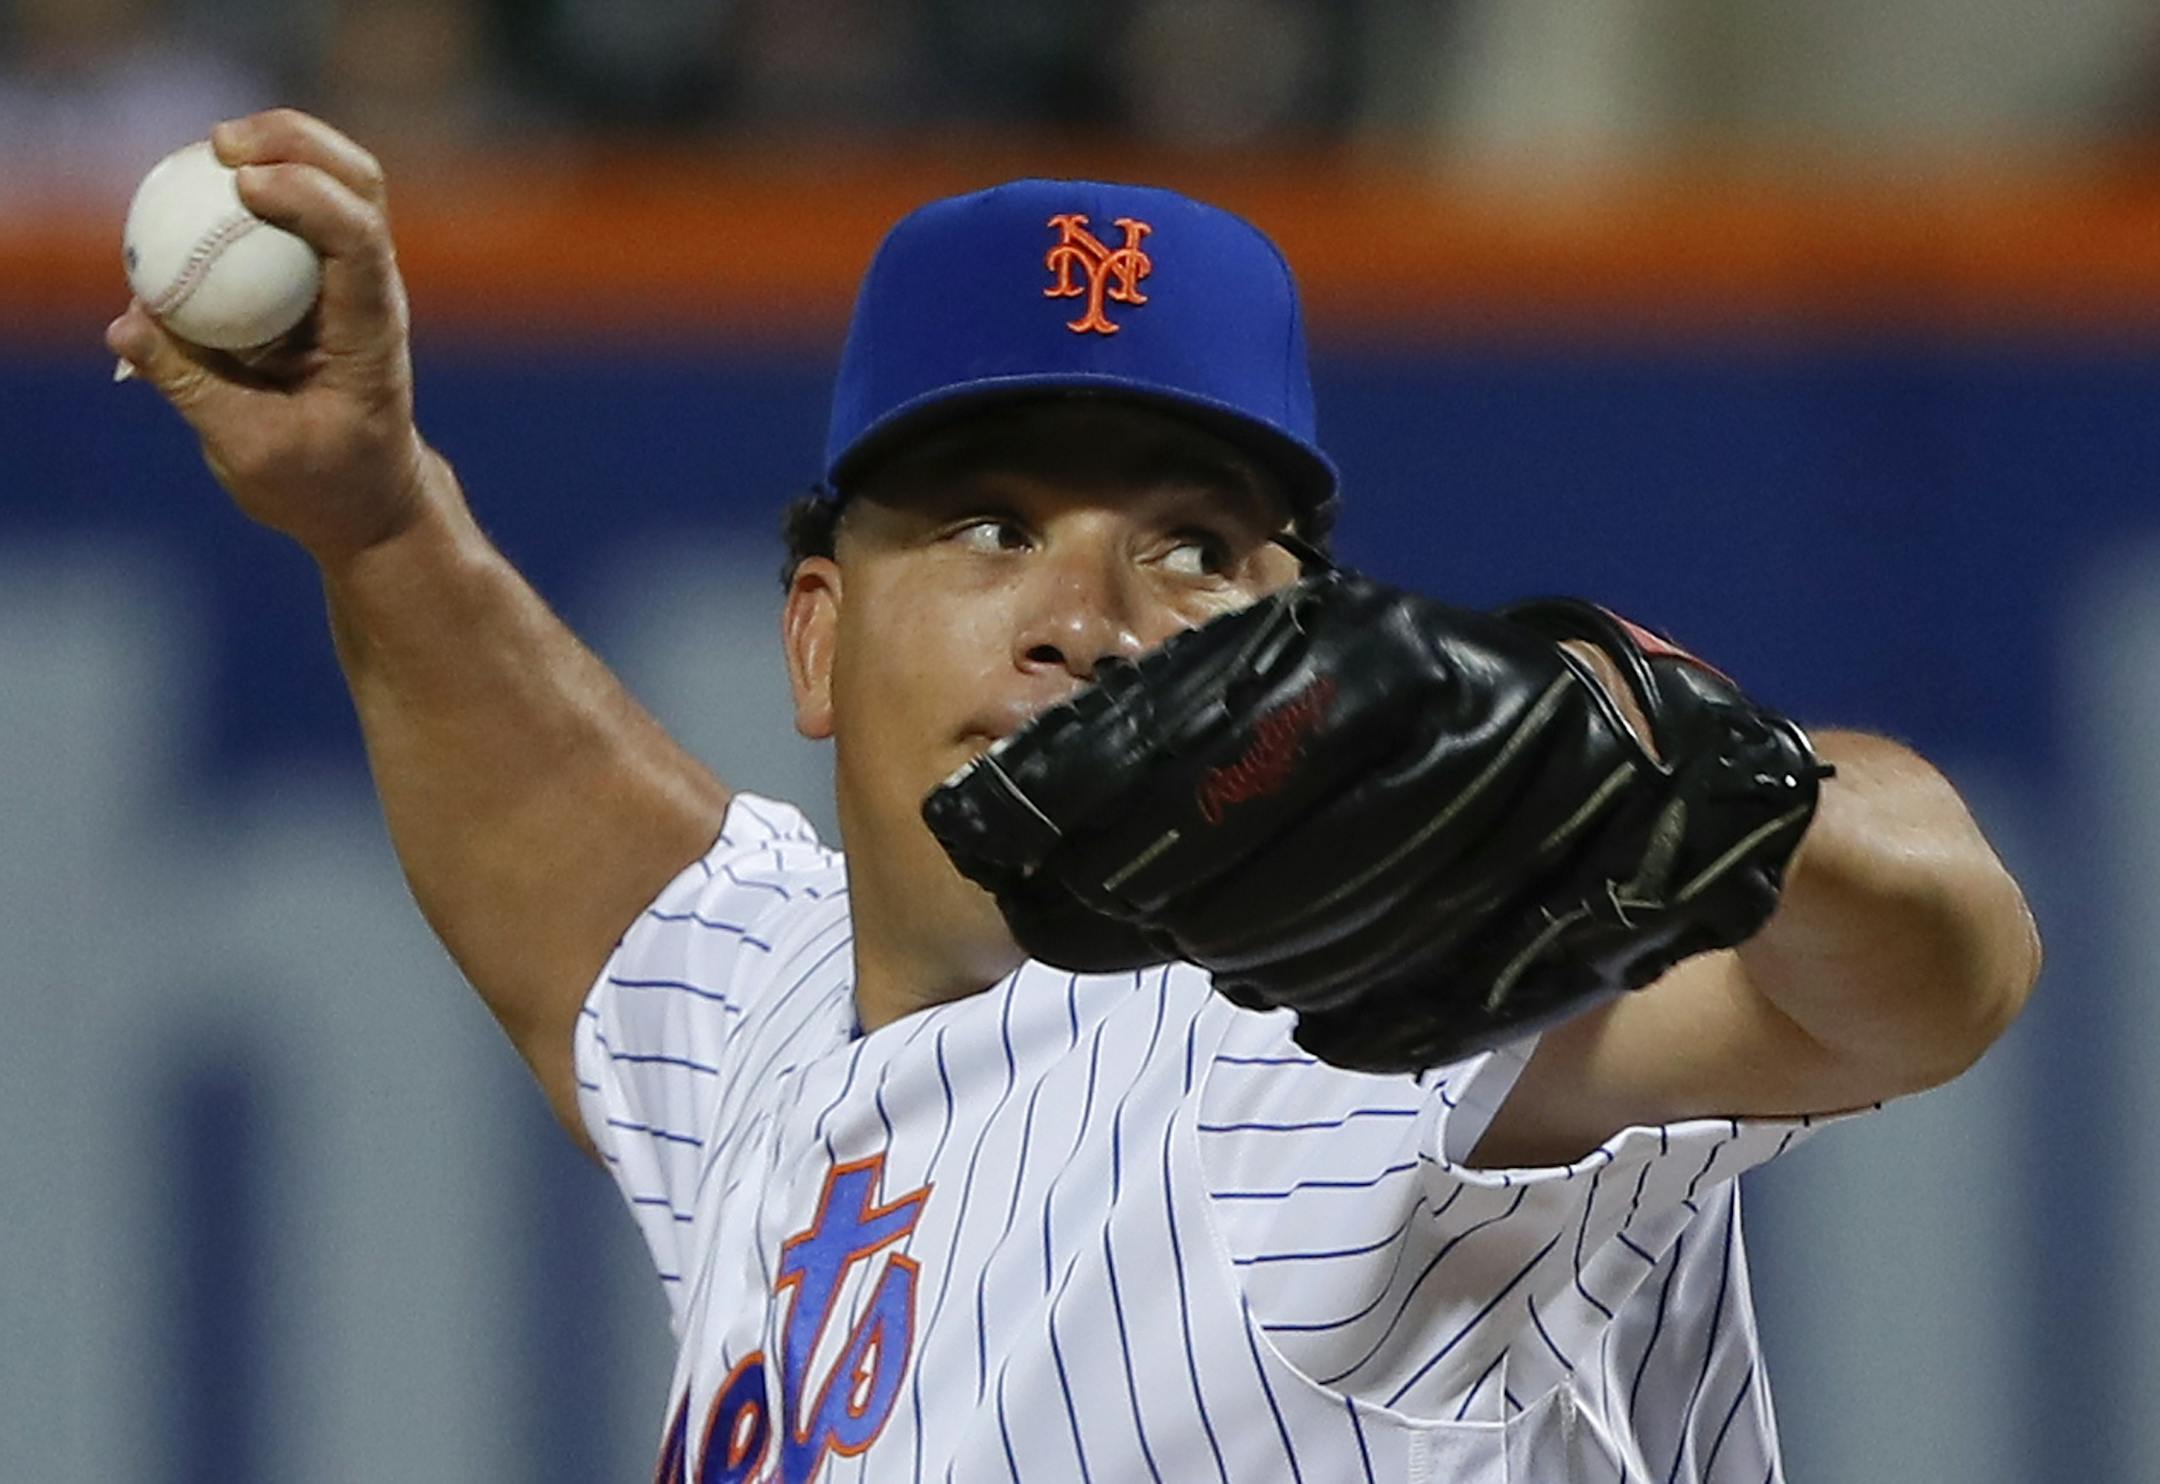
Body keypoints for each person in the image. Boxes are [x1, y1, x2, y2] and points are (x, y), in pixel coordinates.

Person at [108, 109, 2040, 1483]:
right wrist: (368, 510)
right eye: (989, 523)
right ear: (814, 637)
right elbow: (568, 861)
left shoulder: (1337, 1029)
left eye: (1194, 549)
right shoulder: (795, 1010)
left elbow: (1919, 966)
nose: (1089, 619)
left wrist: (1648, 771)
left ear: (1309, 632)